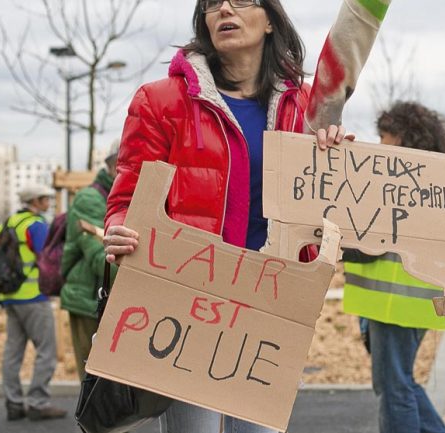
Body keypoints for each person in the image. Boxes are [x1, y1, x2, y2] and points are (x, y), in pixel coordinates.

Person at [103, 1, 391, 432]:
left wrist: (333, 163)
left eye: (239, 0)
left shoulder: (306, 107)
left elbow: (323, 216)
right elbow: (127, 195)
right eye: (212, 4)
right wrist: (119, 230)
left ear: (271, 19)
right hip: (186, 303)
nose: (224, 9)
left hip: (269, 306)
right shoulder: (160, 101)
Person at [342, 101, 445, 433]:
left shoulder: (395, 185)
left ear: (404, 139)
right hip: (412, 301)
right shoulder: (433, 182)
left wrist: (340, 242)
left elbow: (372, 245)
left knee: (394, 389)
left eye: (385, 136)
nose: (380, 144)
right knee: (400, 383)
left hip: (392, 301)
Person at [0, 185, 67, 421]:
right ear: (36, 201)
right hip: (33, 297)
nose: (48, 202)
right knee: (46, 351)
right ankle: (38, 403)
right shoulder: (35, 225)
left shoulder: (9, 223)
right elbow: (49, 258)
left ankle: (14, 404)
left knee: (13, 352)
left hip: (10, 297)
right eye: (45, 198)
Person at [59, 141, 119, 380]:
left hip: (105, 297)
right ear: (115, 165)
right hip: (87, 298)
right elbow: (101, 257)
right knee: (93, 382)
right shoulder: (90, 198)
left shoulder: (115, 195)